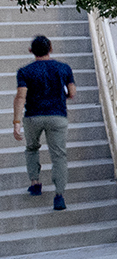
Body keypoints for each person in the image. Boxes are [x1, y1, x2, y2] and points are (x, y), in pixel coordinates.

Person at [13, 35, 75, 211]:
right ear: (51, 49)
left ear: (31, 51)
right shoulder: (63, 68)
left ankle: (35, 183)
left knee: (32, 148)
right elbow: (72, 92)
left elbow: (20, 97)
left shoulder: (24, 71)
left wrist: (16, 122)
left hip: (33, 116)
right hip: (57, 116)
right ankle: (59, 196)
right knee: (59, 156)